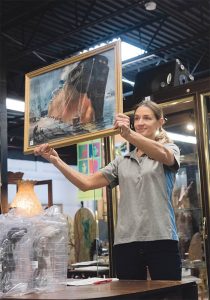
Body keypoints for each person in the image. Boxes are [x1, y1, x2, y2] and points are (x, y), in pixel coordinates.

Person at [34, 99, 181, 280]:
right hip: (126, 242)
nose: (141, 123)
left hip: (161, 238)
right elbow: (85, 183)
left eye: (147, 118)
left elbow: (164, 155)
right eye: (137, 118)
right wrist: (56, 161)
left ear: (160, 122)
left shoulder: (169, 149)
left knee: (168, 294)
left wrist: (128, 135)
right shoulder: (122, 161)